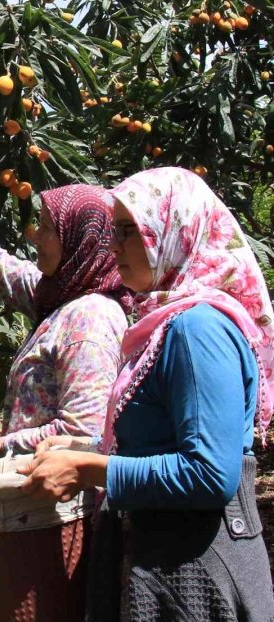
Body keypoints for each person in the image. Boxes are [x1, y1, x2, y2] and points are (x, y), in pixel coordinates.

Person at [19, 167, 274, 620]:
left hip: (200, 572)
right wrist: (87, 447)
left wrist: (91, 468)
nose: (113, 245)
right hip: (174, 564)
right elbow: (163, 439)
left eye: (128, 230)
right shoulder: (163, 323)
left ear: (174, 229)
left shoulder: (199, 329)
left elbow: (211, 473)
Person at [0, 184, 132, 457]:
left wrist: (2, 447)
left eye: (47, 228)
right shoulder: (61, 292)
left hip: (55, 497)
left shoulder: (90, 320)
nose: (35, 237)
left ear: (79, 238)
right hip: (31, 488)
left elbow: (84, 433)